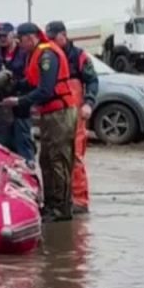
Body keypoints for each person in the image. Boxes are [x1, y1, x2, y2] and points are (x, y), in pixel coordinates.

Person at [1, 22, 78, 222]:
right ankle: (51, 205)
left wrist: (19, 101)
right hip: (50, 113)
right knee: (46, 160)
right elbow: (32, 82)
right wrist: (15, 85)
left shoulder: (47, 56)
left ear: (31, 37)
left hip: (60, 113)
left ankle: (62, 208)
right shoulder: (35, 55)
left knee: (58, 160)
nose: (19, 44)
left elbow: (46, 90)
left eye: (21, 39)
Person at [45, 21, 98, 215]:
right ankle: (60, 199)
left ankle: (80, 200)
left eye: (53, 38)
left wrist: (88, 103)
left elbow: (92, 81)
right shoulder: (49, 57)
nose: (50, 42)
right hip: (56, 114)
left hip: (76, 113)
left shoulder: (79, 56)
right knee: (54, 157)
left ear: (63, 36)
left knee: (75, 156)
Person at [0, 22, 34, 163]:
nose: (2, 38)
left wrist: (14, 80)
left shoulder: (25, 53)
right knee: (0, 147)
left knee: (23, 145)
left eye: (5, 35)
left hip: (20, 106)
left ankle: (28, 175)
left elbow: (31, 78)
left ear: (13, 35)